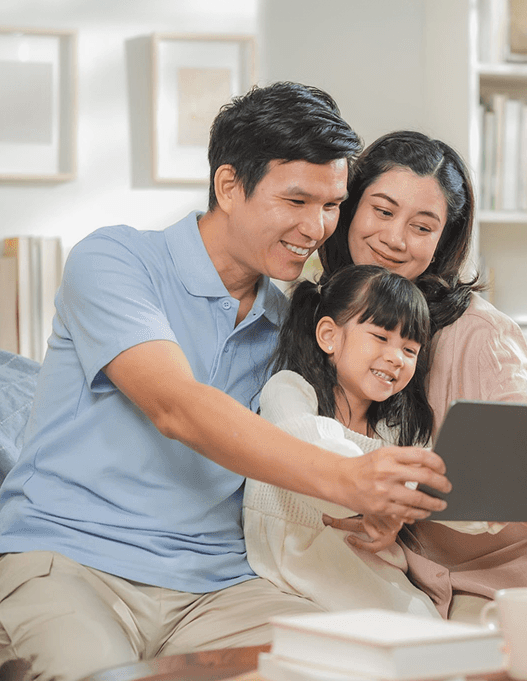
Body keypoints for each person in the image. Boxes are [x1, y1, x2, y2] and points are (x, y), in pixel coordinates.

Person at [0, 85, 450, 681]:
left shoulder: (294, 320)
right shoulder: (116, 261)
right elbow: (177, 407)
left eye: (331, 204)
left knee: (370, 667)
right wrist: (349, 480)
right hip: (72, 560)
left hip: (217, 587)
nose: (317, 228)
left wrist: (373, 502)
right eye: (296, 200)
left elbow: (316, 436)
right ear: (229, 186)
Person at [319, 130, 527, 654]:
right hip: (450, 578)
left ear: (443, 241)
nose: (395, 238)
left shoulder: (478, 331)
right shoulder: (316, 322)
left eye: (422, 226)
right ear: (348, 210)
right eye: (382, 211)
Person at [243, 264, 441, 617]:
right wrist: (385, 492)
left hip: (376, 570)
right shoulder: (289, 390)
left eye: (410, 350)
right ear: (329, 336)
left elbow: (435, 489)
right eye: (381, 337)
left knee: (425, 626)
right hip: (305, 568)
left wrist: (502, 514)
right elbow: (317, 451)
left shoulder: (394, 429)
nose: (397, 357)